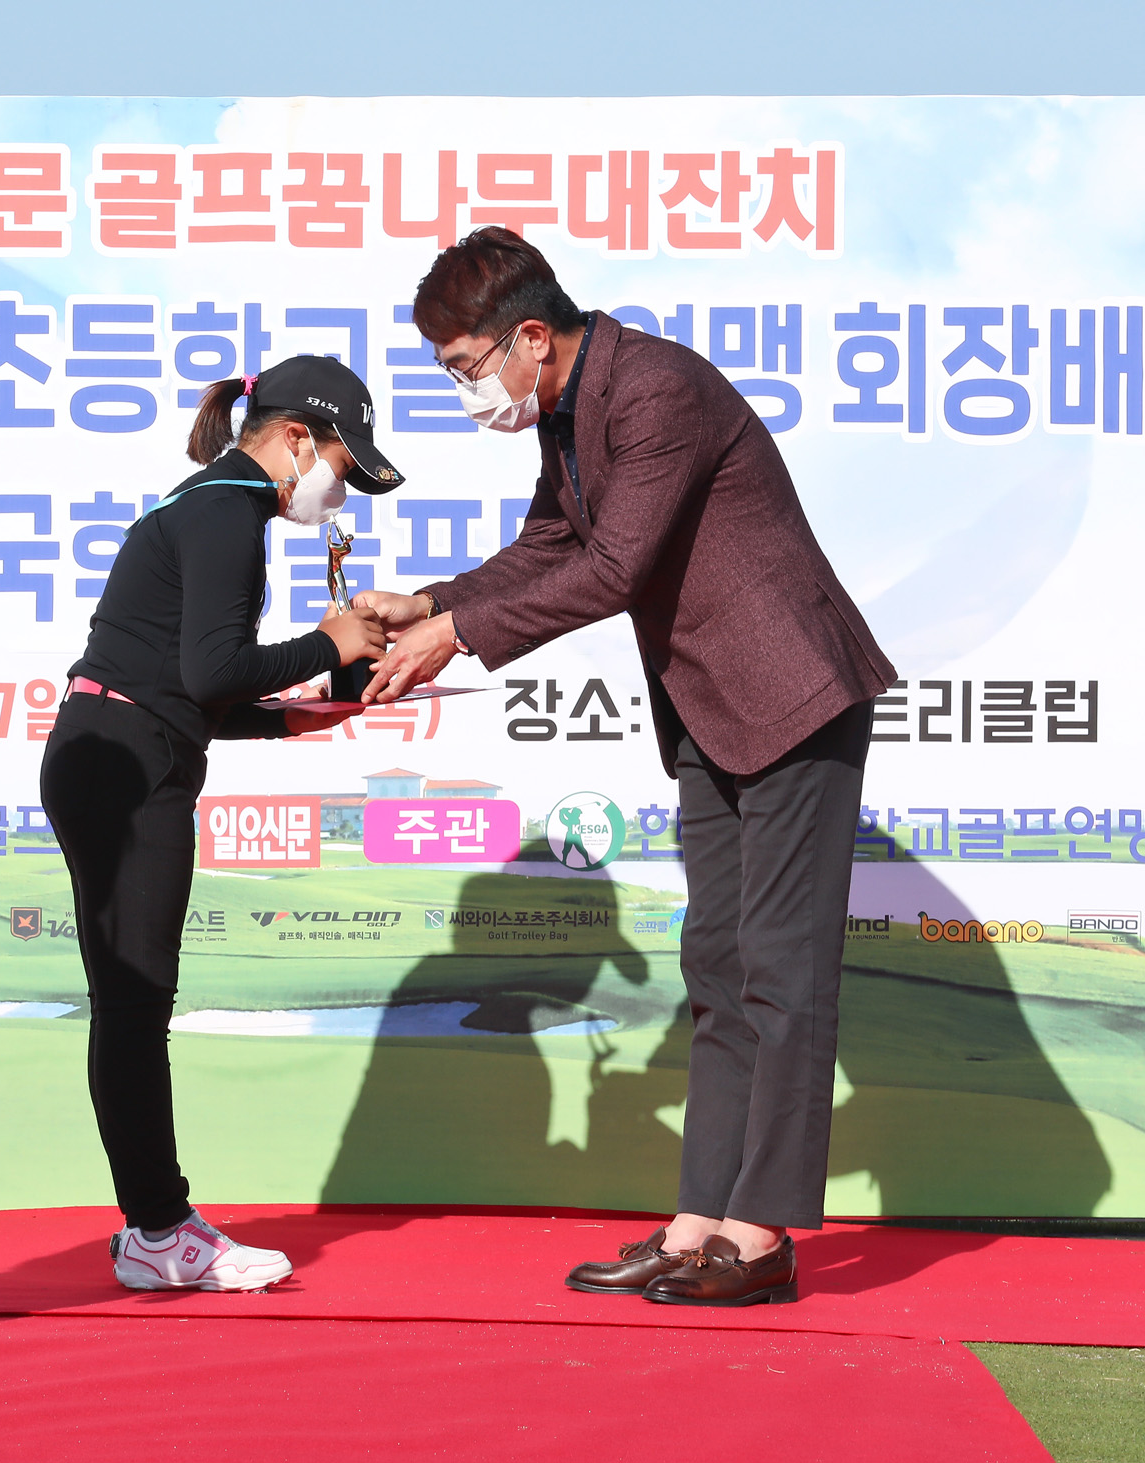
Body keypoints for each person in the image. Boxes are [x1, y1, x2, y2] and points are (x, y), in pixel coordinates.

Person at [357, 227, 894, 1306]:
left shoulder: (655, 390)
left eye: (466, 368)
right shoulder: (568, 410)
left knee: (780, 972)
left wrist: (456, 638)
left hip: (789, 693)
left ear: (530, 336)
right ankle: (697, 1219)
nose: (467, 392)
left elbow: (611, 566)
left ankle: (759, 1234)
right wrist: (426, 602)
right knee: (715, 965)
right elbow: (545, 546)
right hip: (709, 706)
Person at [42, 356, 399, 1291]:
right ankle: (160, 1227)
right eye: (339, 462)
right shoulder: (227, 513)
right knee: (133, 1007)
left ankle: (153, 1224)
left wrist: (293, 713)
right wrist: (335, 642)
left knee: (129, 1006)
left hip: (117, 746)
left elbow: (187, 681)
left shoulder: (208, 503)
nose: (340, 486)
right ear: (293, 439)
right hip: (127, 766)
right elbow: (210, 671)